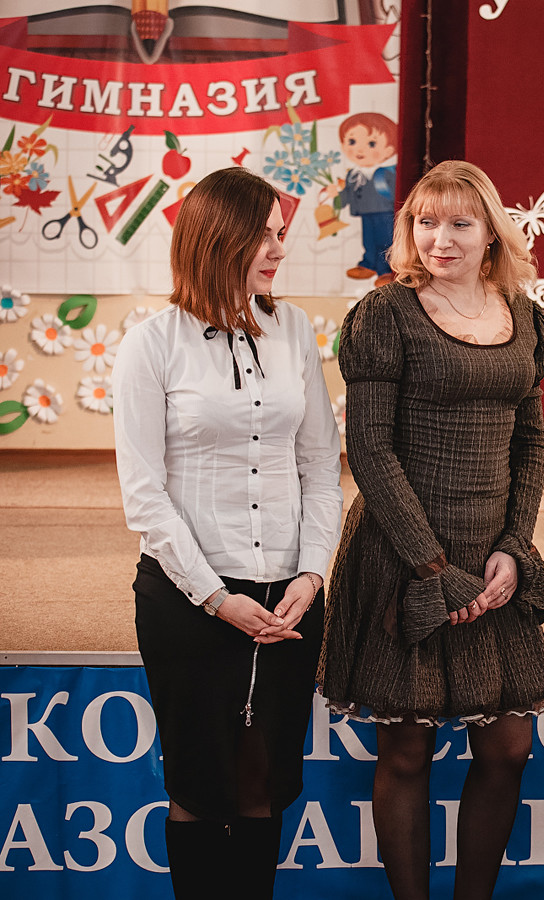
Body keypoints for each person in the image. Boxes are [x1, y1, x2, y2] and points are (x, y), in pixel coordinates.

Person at [319, 159, 544, 900]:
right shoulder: (384, 314)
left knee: (508, 747)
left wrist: (514, 548)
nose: (439, 240)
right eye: (425, 222)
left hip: (492, 564)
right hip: (404, 555)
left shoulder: (522, 315)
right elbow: (370, 450)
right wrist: (432, 567)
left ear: (491, 233)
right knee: (406, 751)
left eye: (459, 223)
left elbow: (530, 443)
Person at [112, 166, 343, 897]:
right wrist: (215, 597)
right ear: (218, 238)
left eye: (281, 233)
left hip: (288, 598)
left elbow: (320, 465)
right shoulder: (151, 343)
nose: (279, 249)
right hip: (189, 600)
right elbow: (144, 496)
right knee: (198, 786)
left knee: (262, 783)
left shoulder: (294, 328)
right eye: (264, 235)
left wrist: (312, 572)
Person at [320, 111, 398, 285]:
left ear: (389, 150)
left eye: (371, 144)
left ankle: (386, 270)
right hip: (365, 213)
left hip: (385, 214)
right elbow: (347, 197)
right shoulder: (353, 175)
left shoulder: (387, 173)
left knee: (386, 241)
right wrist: (335, 196)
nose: (360, 150)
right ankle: (368, 264)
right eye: (352, 142)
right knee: (368, 240)